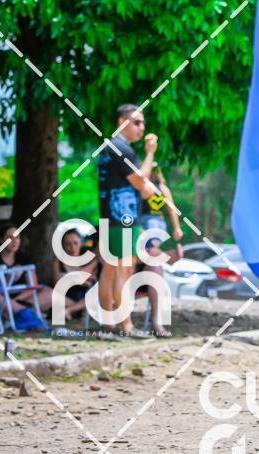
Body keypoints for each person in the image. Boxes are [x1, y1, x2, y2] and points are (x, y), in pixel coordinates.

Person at [97, 103, 161, 334]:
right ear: (122, 122)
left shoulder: (110, 147)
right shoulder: (121, 148)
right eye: (137, 122)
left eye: (143, 123)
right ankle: (125, 324)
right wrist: (150, 153)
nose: (141, 128)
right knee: (124, 270)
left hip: (112, 216)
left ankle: (108, 323)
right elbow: (140, 182)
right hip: (122, 217)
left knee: (111, 269)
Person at [138, 166, 183, 337]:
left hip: (153, 222)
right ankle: (168, 257)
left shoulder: (158, 188)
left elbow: (171, 208)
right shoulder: (145, 187)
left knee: (153, 251)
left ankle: (165, 255)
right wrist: (176, 228)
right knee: (153, 251)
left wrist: (177, 227)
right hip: (149, 223)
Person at [53, 228, 99, 320]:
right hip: (69, 297)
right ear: (63, 246)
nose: (72, 248)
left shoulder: (88, 256)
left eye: (75, 243)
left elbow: (93, 279)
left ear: (80, 243)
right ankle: (79, 309)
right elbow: (57, 284)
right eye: (68, 244)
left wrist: (69, 278)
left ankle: (70, 310)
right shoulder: (59, 261)